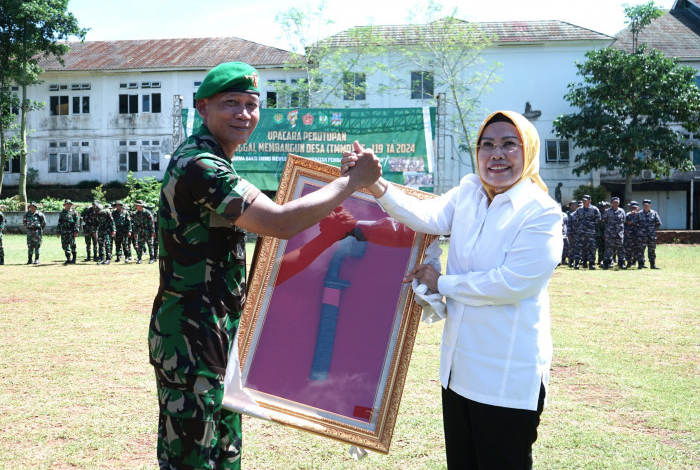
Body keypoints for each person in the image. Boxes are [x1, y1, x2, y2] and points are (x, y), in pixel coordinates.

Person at [148, 61, 381, 470]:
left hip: (216, 335)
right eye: (230, 103)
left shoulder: (215, 162)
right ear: (202, 108)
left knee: (224, 455)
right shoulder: (201, 165)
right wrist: (350, 183)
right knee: (192, 461)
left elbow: (259, 261)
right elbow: (279, 222)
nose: (243, 114)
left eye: (251, 105)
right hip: (192, 340)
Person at [345, 110, 562, 469]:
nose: (496, 154)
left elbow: (512, 283)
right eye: (487, 144)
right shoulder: (469, 192)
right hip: (458, 370)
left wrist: (441, 282)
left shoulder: (541, 212)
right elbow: (424, 216)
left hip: (506, 375)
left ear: (529, 151)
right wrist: (375, 184)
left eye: (510, 144)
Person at [573, 194, 600, 270]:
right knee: (578, 248)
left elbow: (598, 220)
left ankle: (591, 264)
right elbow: (576, 219)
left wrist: (590, 225)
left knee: (591, 248)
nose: (584, 202)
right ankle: (577, 263)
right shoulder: (579, 210)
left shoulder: (594, 209)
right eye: (583, 200)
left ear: (590, 201)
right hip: (581, 232)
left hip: (590, 232)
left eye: (586, 200)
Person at [602, 197, 626, 269]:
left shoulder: (622, 211)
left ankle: (621, 263)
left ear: (619, 203)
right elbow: (604, 221)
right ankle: (606, 263)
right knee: (608, 249)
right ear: (611, 203)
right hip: (610, 234)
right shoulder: (607, 211)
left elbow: (624, 221)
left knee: (620, 249)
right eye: (614, 202)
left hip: (619, 234)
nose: (615, 204)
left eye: (617, 202)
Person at [637, 199, 662, 269]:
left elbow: (659, 223)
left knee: (652, 250)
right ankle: (640, 264)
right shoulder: (639, 213)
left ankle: (652, 264)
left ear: (650, 205)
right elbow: (636, 223)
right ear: (643, 205)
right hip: (642, 236)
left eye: (647, 205)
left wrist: (652, 229)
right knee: (641, 250)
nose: (646, 206)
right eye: (644, 205)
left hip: (651, 235)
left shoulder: (654, 213)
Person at [131, 199, 156, 264]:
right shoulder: (136, 214)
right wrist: (135, 232)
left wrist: (153, 232)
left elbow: (152, 222)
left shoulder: (147, 213)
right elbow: (135, 224)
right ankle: (139, 259)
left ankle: (152, 259)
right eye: (136, 205)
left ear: (141, 206)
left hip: (148, 232)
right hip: (140, 232)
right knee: (140, 246)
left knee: (150, 245)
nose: (136, 206)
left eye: (137, 205)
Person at [56, 199, 80, 264]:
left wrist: (76, 230)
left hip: (71, 231)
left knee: (72, 245)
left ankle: (74, 258)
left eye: (69, 204)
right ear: (65, 205)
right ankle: (68, 258)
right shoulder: (62, 213)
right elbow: (59, 222)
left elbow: (76, 222)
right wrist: (58, 231)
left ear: (71, 205)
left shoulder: (74, 212)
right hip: (64, 231)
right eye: (67, 204)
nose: (68, 205)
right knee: (65, 245)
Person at [624, 201, 640, 267]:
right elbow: (626, 223)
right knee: (629, 249)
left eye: (634, 207)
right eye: (632, 207)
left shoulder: (640, 214)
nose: (633, 209)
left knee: (638, 248)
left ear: (637, 208)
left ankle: (636, 261)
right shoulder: (627, 214)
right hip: (629, 235)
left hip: (638, 234)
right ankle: (629, 262)